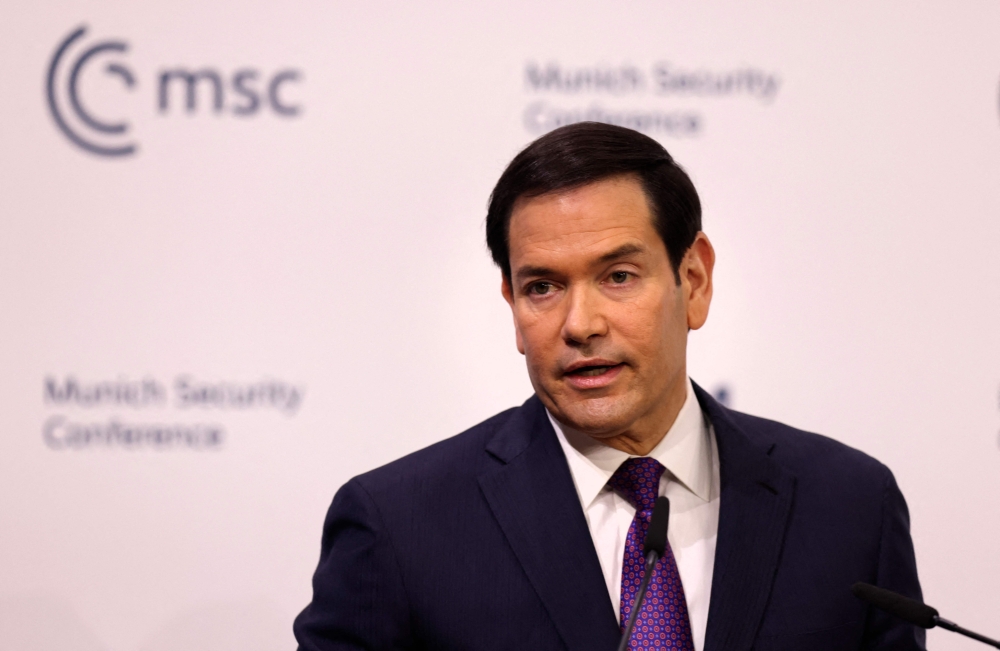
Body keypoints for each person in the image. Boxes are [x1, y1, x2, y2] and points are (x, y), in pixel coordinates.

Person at [294, 122, 925, 650]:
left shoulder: (849, 505)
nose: (580, 325)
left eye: (618, 276)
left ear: (694, 280)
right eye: (543, 287)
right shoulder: (400, 526)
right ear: (512, 304)